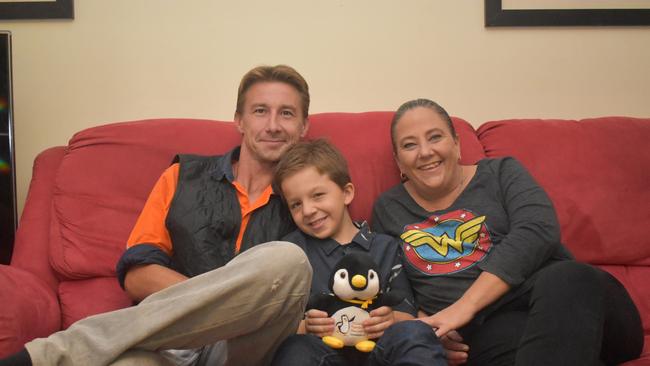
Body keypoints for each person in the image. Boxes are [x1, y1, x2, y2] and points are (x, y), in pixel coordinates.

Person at [0, 65, 314, 366]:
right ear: (239, 120)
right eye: (260, 111)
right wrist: (213, 310)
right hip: (169, 345)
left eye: (286, 113)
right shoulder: (181, 177)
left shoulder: (309, 200)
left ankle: (50, 356)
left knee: (288, 259)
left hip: (245, 349)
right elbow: (137, 275)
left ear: (303, 127)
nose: (273, 125)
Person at [371, 98, 644, 366]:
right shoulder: (388, 208)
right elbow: (396, 286)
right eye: (409, 145)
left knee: (570, 276)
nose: (425, 152)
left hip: (573, 301)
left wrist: (463, 307)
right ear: (398, 161)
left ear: (456, 144)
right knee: (510, 346)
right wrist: (429, 329)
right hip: (490, 331)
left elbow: (538, 229)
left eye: (435, 137)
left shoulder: (501, 173)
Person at [269, 139, 447, 366]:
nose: (308, 210)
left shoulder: (385, 247)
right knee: (295, 348)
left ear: (347, 193)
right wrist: (306, 327)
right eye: (295, 204)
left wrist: (390, 319)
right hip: (323, 353)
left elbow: (408, 315)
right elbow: (273, 326)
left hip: (379, 351)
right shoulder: (292, 251)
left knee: (416, 334)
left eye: (317, 195)